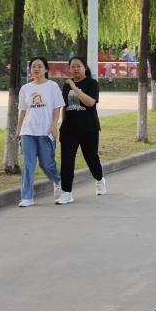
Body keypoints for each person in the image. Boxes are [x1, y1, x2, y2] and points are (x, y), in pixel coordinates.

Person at [15, 56, 64, 207]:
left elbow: (57, 107)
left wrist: (54, 125)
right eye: (33, 66)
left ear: (46, 69)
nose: (36, 69)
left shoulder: (52, 86)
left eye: (39, 66)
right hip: (28, 131)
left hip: (45, 131)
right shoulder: (25, 88)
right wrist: (18, 130)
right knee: (28, 165)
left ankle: (58, 182)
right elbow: (23, 111)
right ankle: (27, 197)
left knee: (47, 163)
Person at [57, 56, 104, 205]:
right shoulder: (66, 86)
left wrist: (74, 87)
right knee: (67, 161)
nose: (75, 69)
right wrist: (62, 125)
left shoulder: (92, 83)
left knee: (91, 158)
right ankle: (66, 193)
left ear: (84, 67)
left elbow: (90, 103)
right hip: (69, 130)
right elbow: (64, 107)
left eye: (78, 66)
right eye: (73, 66)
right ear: (69, 69)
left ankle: (99, 179)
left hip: (89, 128)